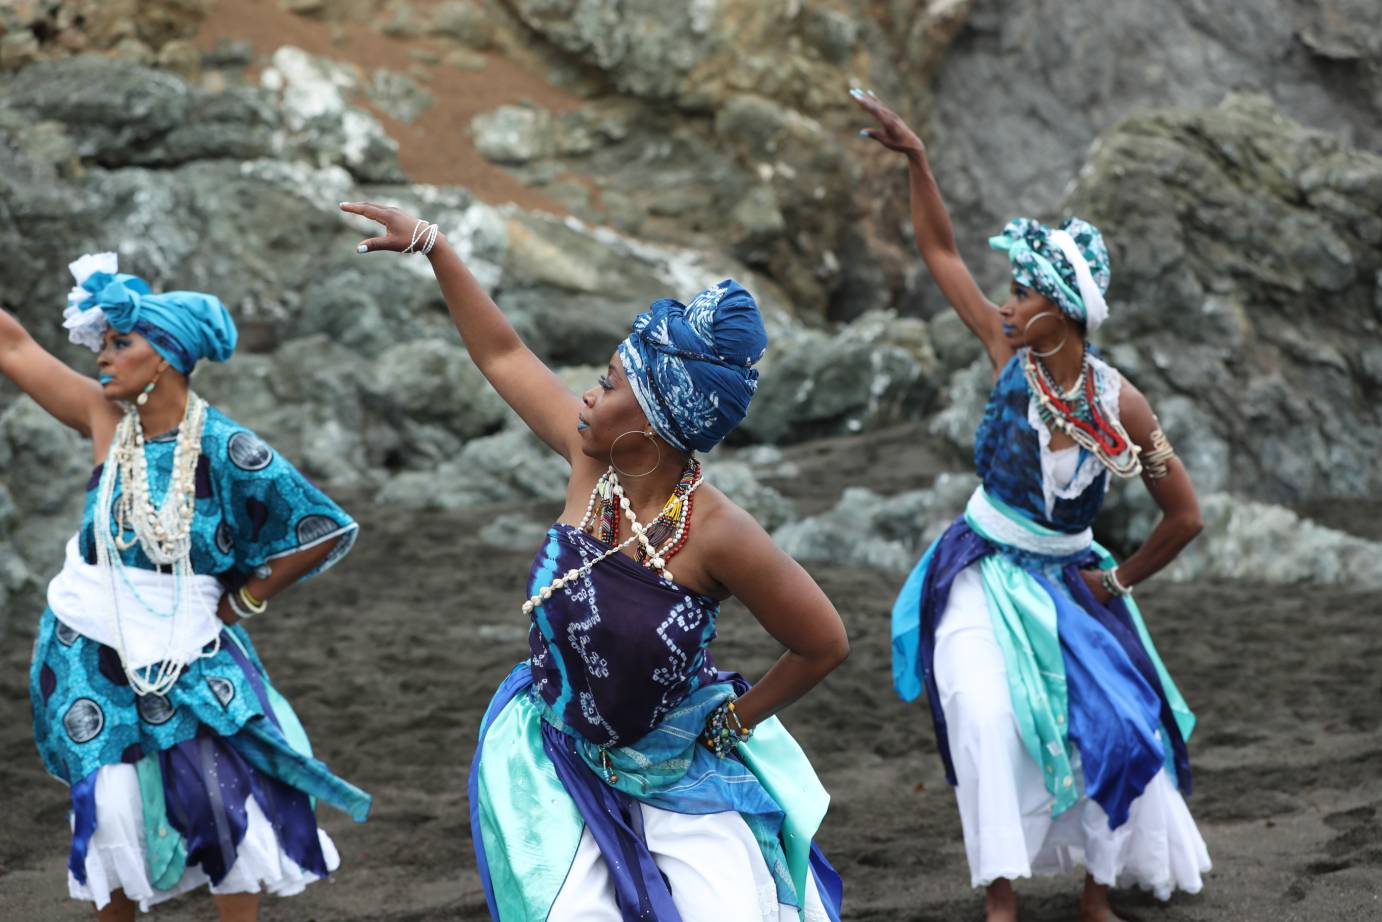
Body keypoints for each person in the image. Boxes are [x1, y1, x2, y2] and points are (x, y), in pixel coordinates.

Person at [342, 201, 849, 921]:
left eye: (609, 383)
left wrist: (736, 722)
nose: (588, 392)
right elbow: (504, 355)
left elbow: (823, 642)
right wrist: (435, 247)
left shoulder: (720, 533)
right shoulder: (591, 465)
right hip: (553, 754)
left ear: (654, 420)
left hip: (673, 766)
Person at [852, 89, 1211, 922]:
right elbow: (939, 252)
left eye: (1020, 294)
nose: (1005, 304)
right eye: (1009, 294)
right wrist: (919, 161)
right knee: (984, 714)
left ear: (1061, 308)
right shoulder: (1004, 353)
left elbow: (1184, 515)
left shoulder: (1124, 406)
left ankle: (1095, 892)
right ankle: (1001, 897)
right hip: (979, 565)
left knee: (1120, 726)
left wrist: (1118, 585)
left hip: (1073, 580)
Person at [4, 253, 371, 921]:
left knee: (218, 795)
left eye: (121, 344)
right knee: (108, 802)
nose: (104, 358)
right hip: (89, 645)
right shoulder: (104, 422)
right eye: (105, 345)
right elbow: (13, 342)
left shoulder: (227, 447)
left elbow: (319, 528)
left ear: (166, 355)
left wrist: (246, 598)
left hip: (187, 640)